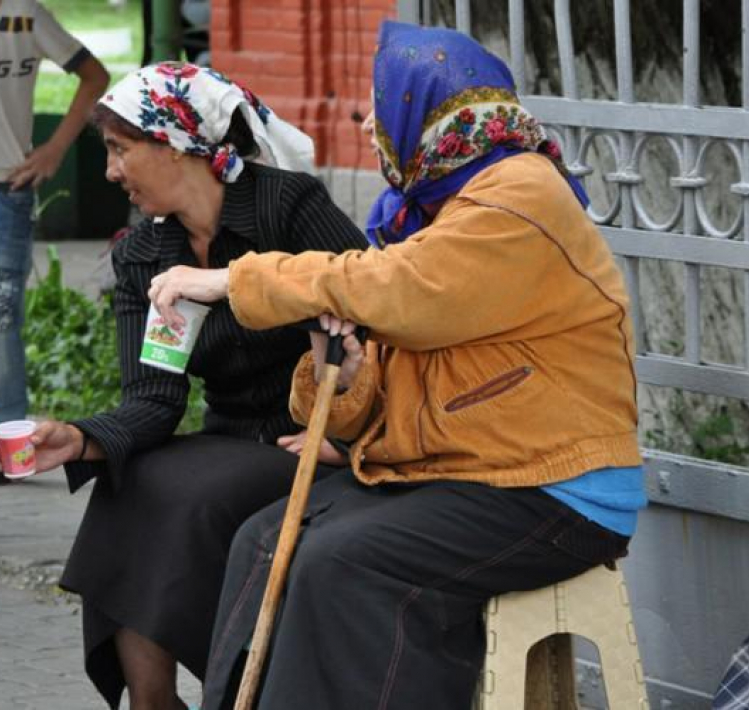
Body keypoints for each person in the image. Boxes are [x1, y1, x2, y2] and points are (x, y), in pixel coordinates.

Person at [147, 21, 648, 709]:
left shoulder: (519, 196)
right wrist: (344, 376)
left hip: (554, 484)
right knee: (267, 540)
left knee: (345, 561)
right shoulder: (432, 209)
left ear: (428, 109)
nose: (370, 122)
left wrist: (238, 282)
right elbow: (386, 378)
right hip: (461, 468)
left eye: (382, 106)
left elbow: (404, 291)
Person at [0, 62, 367, 709]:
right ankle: (152, 701)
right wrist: (79, 440)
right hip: (231, 435)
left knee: (186, 495)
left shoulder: (287, 206)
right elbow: (155, 399)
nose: (110, 173)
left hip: (314, 441)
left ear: (178, 144)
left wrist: (345, 430)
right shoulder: (144, 255)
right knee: (127, 479)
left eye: (118, 149)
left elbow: (370, 306)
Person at [0, 0, 109, 486]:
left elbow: (94, 76)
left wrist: (55, 149)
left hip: (4, 191)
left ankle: (1, 444)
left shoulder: (25, 16)